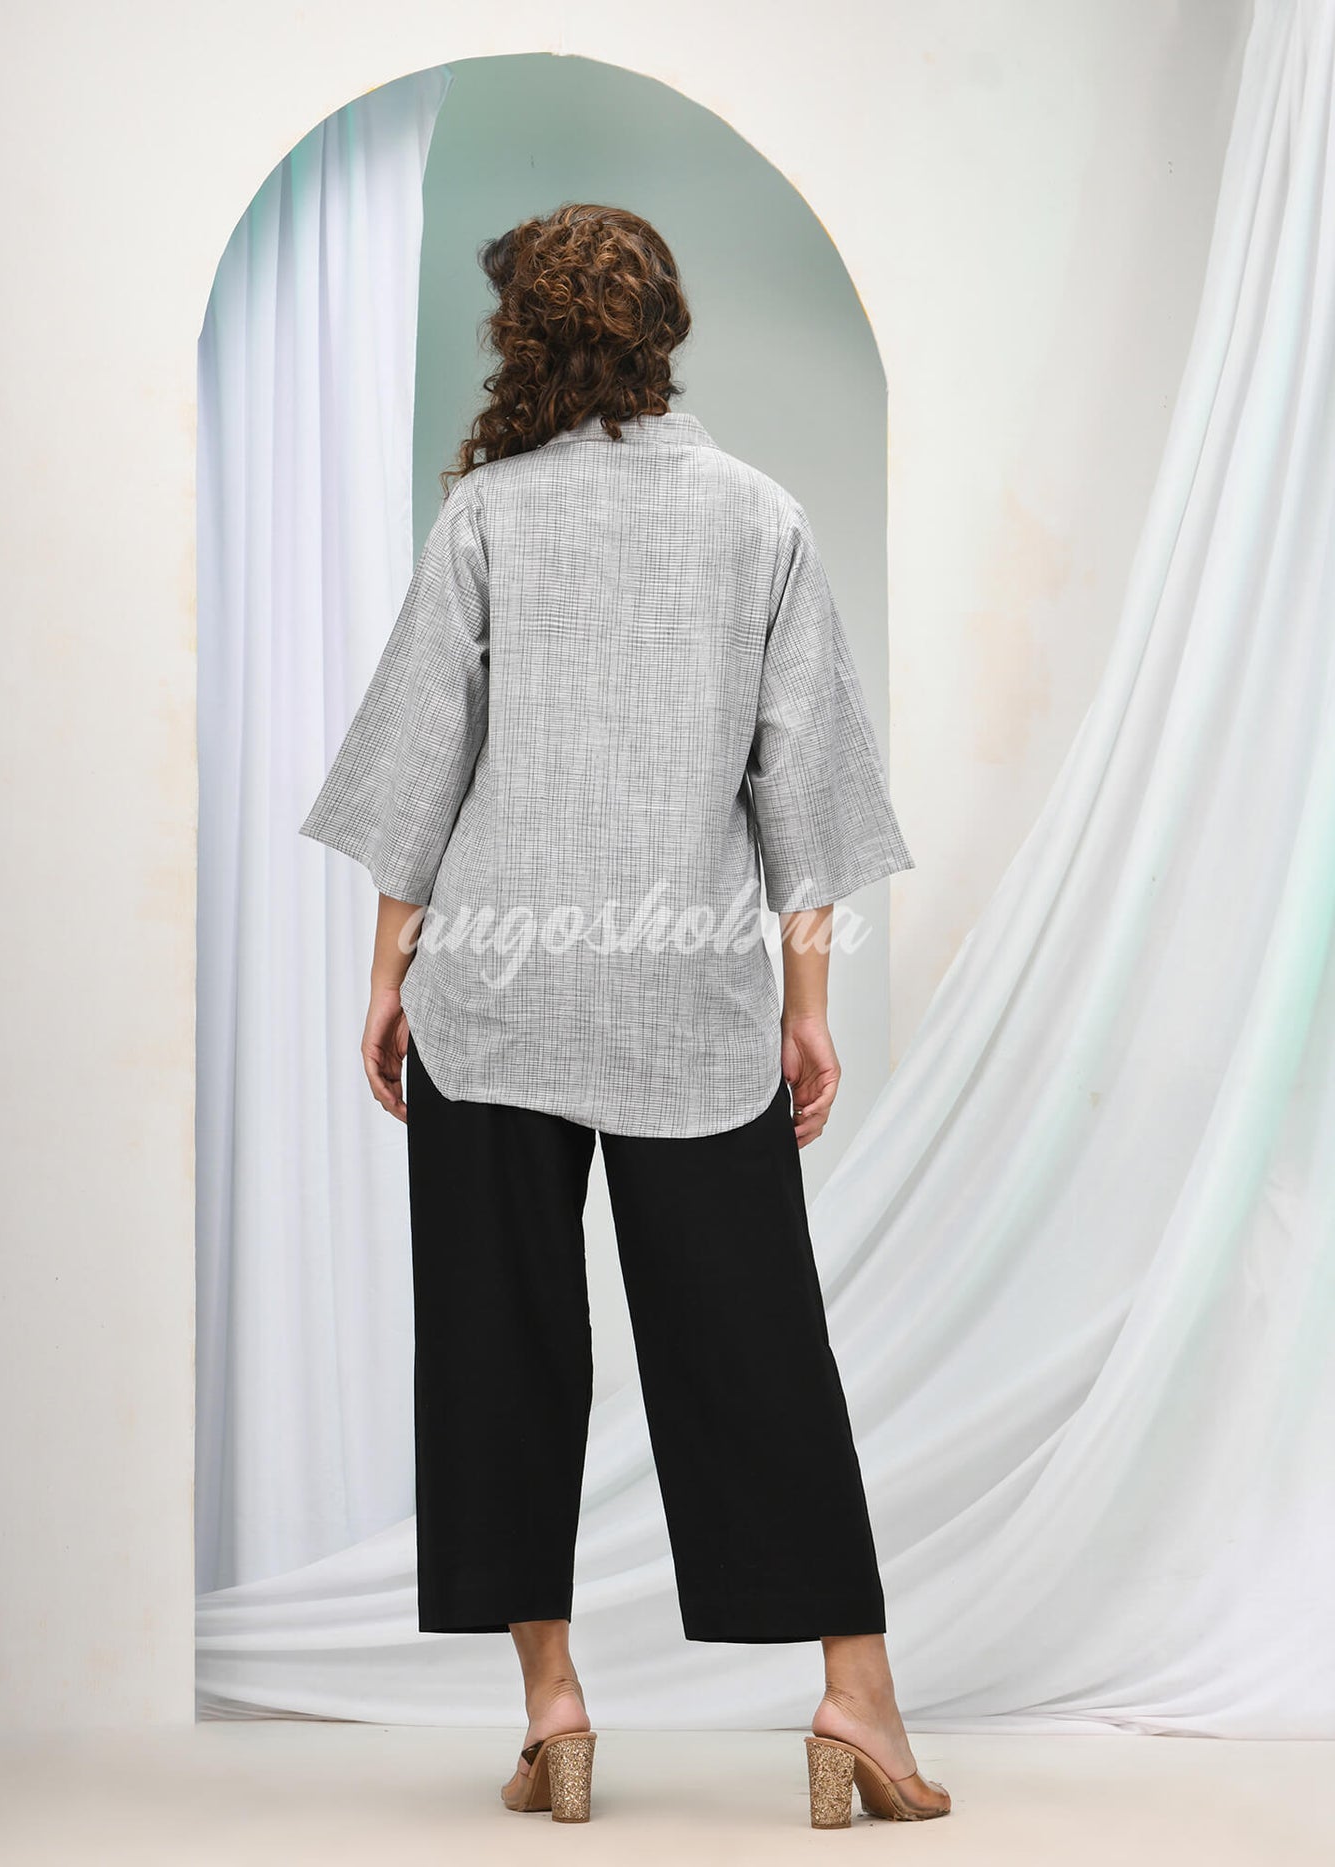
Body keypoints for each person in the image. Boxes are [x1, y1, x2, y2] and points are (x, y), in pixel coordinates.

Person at [299, 201, 950, 1829]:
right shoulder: (759, 518)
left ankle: (555, 1706)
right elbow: (805, 795)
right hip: (688, 1003)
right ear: (665, 333)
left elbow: (422, 771)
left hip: (496, 993)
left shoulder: (487, 516)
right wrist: (807, 1007)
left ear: (524, 340)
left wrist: (387, 977)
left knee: (502, 1344)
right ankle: (856, 1696)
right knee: (758, 1346)